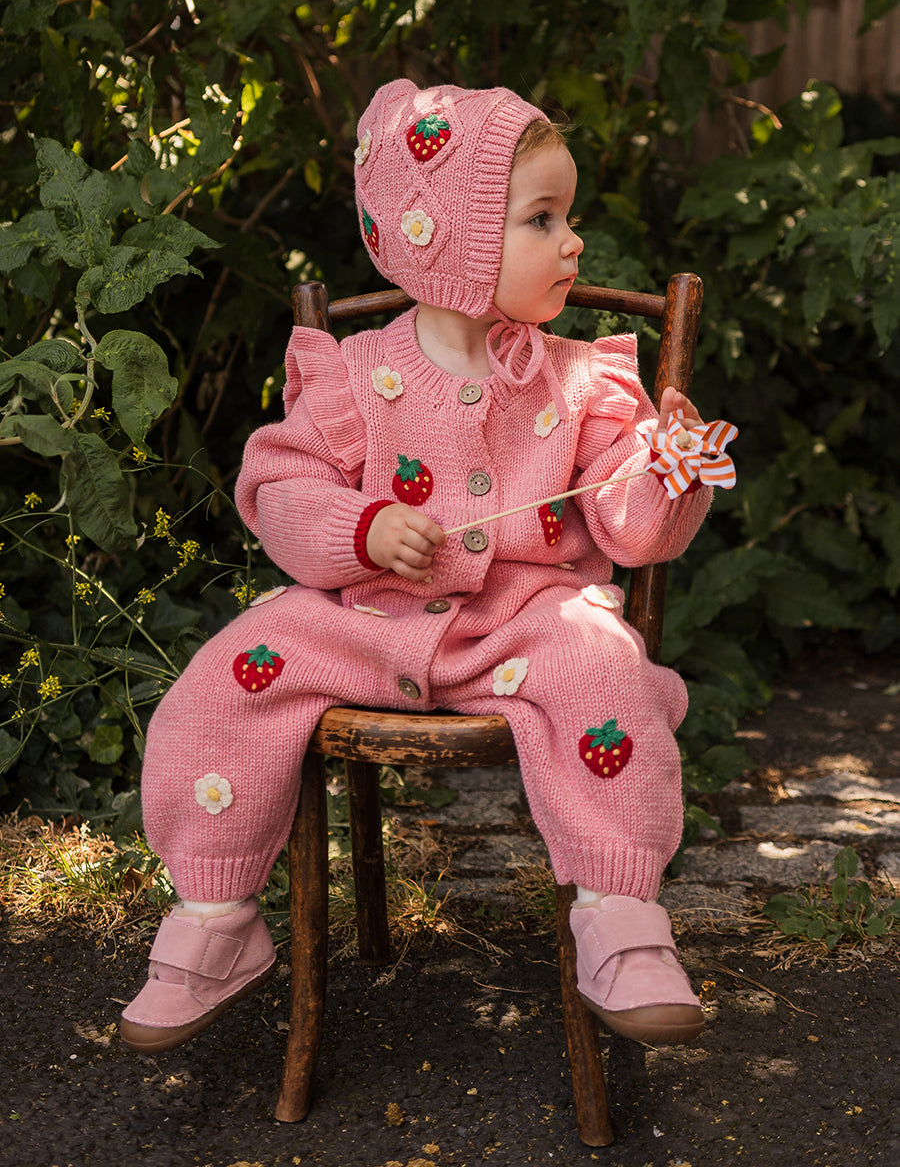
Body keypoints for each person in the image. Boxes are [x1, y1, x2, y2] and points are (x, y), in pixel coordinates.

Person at [121, 78, 719, 1056]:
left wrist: (667, 472)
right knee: (226, 675)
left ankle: (621, 917)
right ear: (453, 243)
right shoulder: (352, 374)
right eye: (542, 219)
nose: (573, 242)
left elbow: (634, 529)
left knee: (603, 667)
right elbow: (282, 492)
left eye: (567, 217)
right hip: (363, 623)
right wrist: (361, 530)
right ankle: (214, 917)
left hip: (525, 623)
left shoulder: (583, 380)